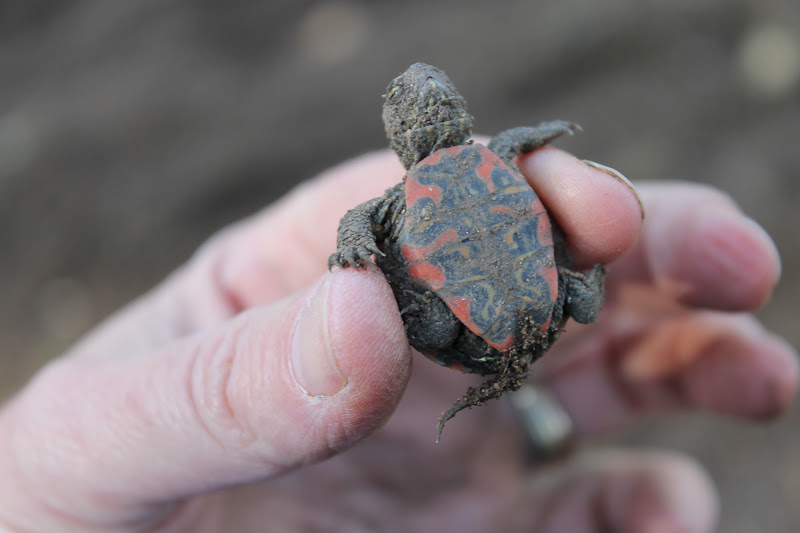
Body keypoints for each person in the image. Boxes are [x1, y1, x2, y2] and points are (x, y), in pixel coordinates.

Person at [0, 147, 795, 533]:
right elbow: (517, 153)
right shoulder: (491, 155)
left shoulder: (402, 195)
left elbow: (365, 226)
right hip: (537, 297)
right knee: (588, 267)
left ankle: (500, 367)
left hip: (486, 316)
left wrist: (357, 249)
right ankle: (534, 344)